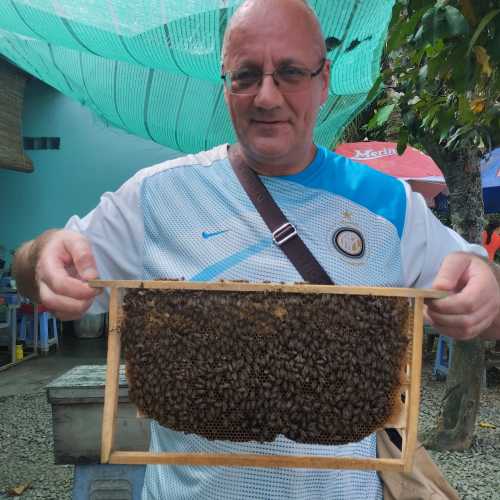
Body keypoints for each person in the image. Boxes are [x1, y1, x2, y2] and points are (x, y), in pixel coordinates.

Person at [12, 0, 500, 498]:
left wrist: (487, 292)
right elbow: (34, 270)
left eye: (290, 72)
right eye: (246, 75)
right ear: (225, 85)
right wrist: (42, 255)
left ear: (323, 79)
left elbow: (490, 307)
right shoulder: (155, 195)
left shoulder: (389, 204)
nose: (266, 96)